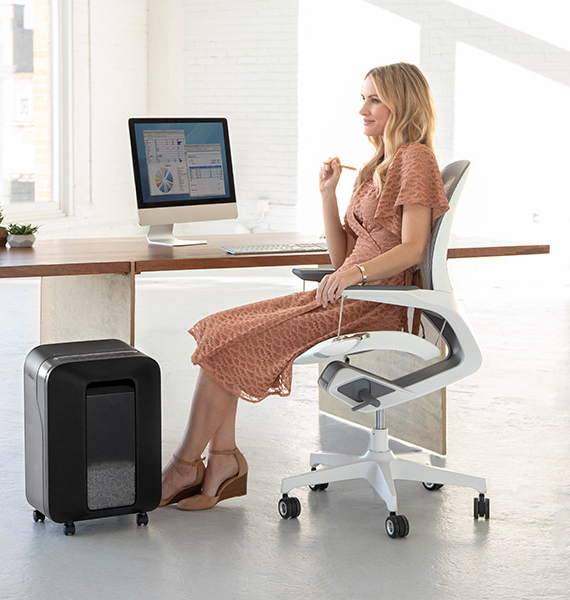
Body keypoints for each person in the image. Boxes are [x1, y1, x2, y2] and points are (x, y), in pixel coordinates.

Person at [160, 62, 450, 511]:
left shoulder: (415, 159)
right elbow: (342, 259)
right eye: (362, 97)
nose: (363, 109)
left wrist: (353, 276)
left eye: (374, 98)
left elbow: (412, 249)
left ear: (403, 103)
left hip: (375, 305)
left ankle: (186, 467)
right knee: (219, 330)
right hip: (345, 297)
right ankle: (221, 461)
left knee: (231, 340)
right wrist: (327, 194)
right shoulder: (376, 165)